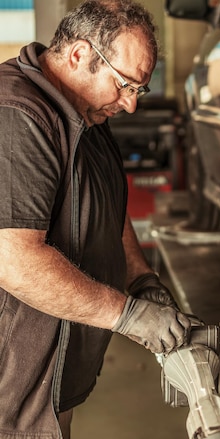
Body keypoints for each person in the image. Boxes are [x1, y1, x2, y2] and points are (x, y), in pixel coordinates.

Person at [0, 1, 193, 438]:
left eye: (138, 90)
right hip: (10, 392)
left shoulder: (86, 110)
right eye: (124, 85)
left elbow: (107, 202)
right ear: (80, 55)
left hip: (48, 384)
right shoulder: (17, 115)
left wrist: (140, 277)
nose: (129, 105)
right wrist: (127, 314)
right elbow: (12, 259)